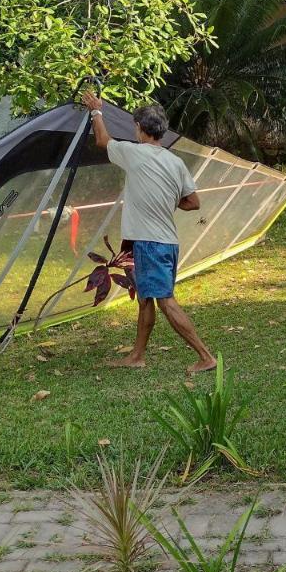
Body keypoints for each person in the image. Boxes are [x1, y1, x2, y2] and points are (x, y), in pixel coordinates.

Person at [81, 88, 217, 373]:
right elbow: (193, 203)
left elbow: (102, 140)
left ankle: (206, 356)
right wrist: (165, 199)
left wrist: (96, 110)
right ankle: (136, 356)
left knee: (165, 301)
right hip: (164, 242)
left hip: (150, 243)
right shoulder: (175, 161)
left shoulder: (134, 153)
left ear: (140, 129)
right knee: (145, 299)